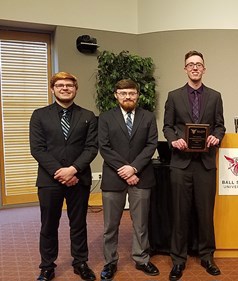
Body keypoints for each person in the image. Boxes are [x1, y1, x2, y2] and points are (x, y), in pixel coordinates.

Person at [163, 50, 226, 281]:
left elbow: (220, 125)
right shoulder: (174, 96)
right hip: (181, 164)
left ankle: (207, 256)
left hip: (205, 164)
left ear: (204, 68)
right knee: (180, 213)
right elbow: (167, 126)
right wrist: (173, 140)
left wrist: (216, 137)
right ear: (185, 69)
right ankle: (178, 260)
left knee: (205, 214)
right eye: (191, 64)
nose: (195, 68)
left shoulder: (215, 96)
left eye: (199, 64)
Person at [29, 72, 98, 281]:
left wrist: (73, 170)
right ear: (52, 89)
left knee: (78, 223)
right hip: (50, 180)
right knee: (49, 224)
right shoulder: (39, 115)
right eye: (60, 85)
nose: (65, 88)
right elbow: (38, 149)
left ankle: (80, 262)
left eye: (69, 85)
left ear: (76, 89)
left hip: (79, 179)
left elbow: (91, 148)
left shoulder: (88, 116)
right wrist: (61, 172)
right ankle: (47, 266)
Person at [98, 79, 159, 280]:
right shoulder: (106, 117)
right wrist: (123, 170)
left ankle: (141, 259)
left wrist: (133, 168)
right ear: (116, 95)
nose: (128, 97)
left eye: (131, 93)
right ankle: (110, 262)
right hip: (113, 177)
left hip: (141, 176)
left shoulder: (148, 117)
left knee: (140, 223)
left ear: (137, 95)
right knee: (110, 225)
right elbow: (104, 146)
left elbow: (151, 145)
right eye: (123, 93)